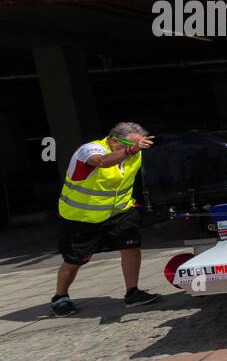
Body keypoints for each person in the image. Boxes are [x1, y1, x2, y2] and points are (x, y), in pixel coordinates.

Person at [52, 122, 161, 316]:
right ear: (113, 139)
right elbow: (102, 162)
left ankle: (132, 292)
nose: (135, 149)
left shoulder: (134, 154)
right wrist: (131, 150)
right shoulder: (89, 150)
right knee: (75, 260)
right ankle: (60, 297)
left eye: (139, 145)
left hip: (119, 212)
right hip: (82, 217)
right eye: (129, 145)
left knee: (131, 247)